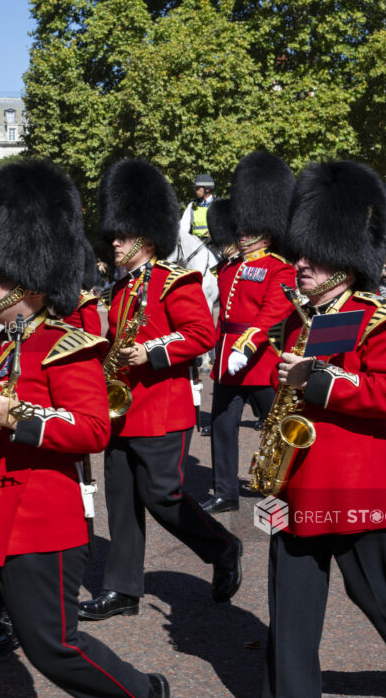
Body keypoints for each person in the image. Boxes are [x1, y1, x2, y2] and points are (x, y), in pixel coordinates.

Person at [0, 160, 168, 698]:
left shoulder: (67, 345)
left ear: (32, 282)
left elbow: (92, 430)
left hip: (39, 520)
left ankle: (144, 692)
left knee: (52, 647)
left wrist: (18, 418)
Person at [263, 159, 386, 698]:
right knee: (290, 602)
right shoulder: (296, 322)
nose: (301, 266)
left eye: (312, 259)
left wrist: (316, 380)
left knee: (373, 587)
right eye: (301, 256)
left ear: (343, 263)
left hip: (354, 478)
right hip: (295, 477)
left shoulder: (381, 319)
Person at [79, 157, 242, 622]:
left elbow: (201, 333)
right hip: (120, 410)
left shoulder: (175, 281)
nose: (114, 241)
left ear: (146, 239)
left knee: (163, 496)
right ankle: (122, 589)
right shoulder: (120, 287)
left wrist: (151, 351)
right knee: (122, 502)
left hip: (160, 408)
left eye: (122, 236)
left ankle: (223, 547)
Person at [203, 151, 296, 514]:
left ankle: (284, 484)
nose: (241, 236)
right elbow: (220, 312)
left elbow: (273, 311)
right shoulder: (229, 267)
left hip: (258, 359)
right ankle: (225, 490)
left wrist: (246, 345)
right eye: (241, 229)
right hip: (227, 359)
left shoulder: (279, 268)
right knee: (223, 428)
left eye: (249, 231)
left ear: (267, 233)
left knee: (276, 426)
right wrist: (217, 347)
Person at [181, 172, 216, 241]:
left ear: (207, 189)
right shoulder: (191, 205)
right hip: (195, 242)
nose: (195, 190)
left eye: (197, 188)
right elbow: (183, 227)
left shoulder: (218, 205)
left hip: (214, 243)